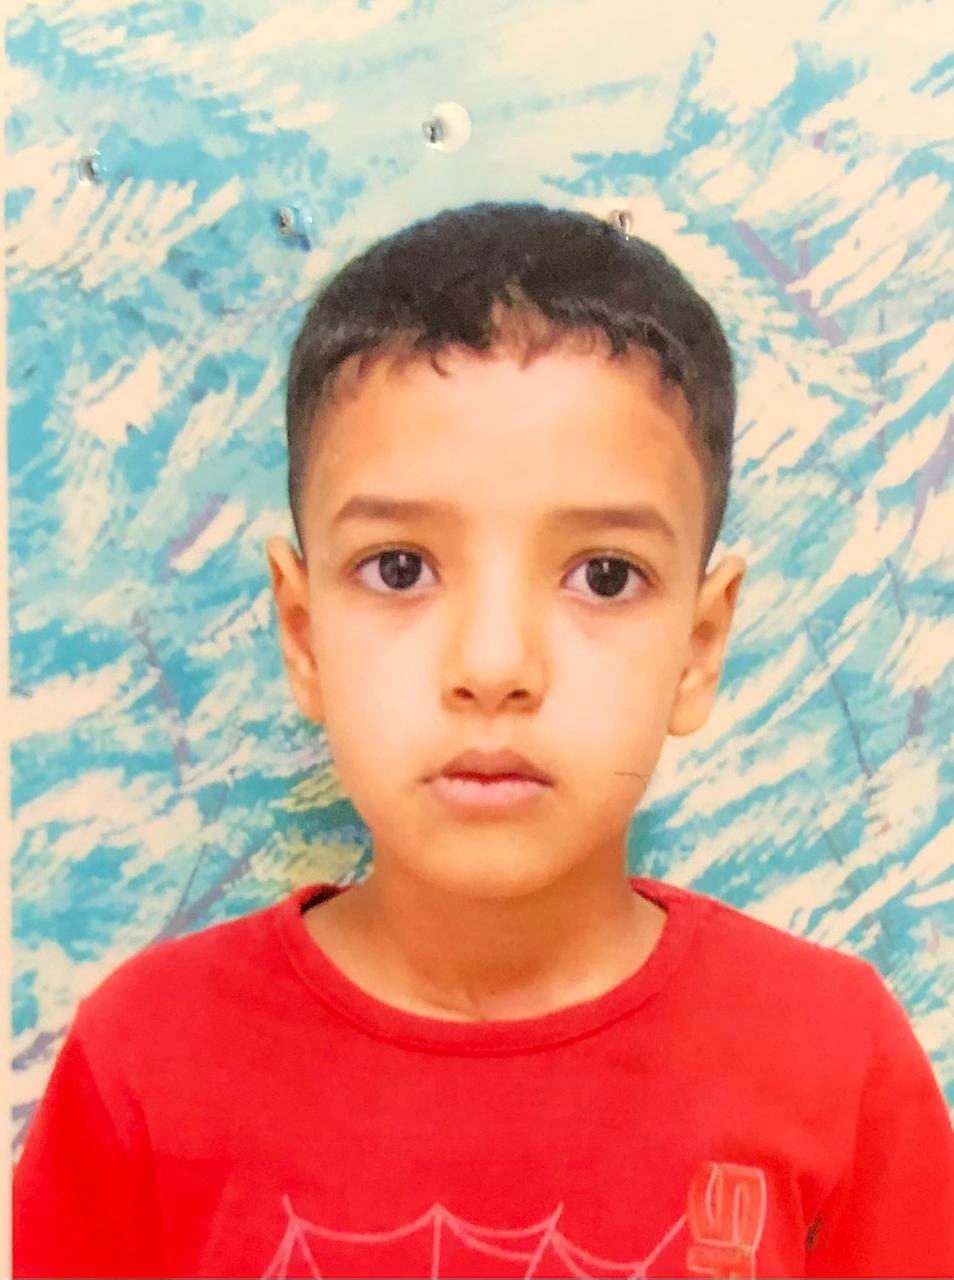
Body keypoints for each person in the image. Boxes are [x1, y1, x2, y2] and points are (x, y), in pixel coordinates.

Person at [13, 201, 954, 1279]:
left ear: (698, 647)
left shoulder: (834, 1061)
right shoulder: (146, 1062)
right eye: (399, 568)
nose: (496, 662)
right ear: (304, 634)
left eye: (605, 575)